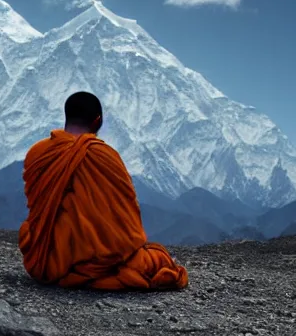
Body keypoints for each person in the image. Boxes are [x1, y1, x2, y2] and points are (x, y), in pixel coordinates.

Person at [18, 91, 189, 291]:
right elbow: (126, 226)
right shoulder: (105, 156)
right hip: (99, 261)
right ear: (97, 121)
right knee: (154, 261)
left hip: (47, 261)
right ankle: (89, 263)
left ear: (66, 117)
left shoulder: (38, 153)